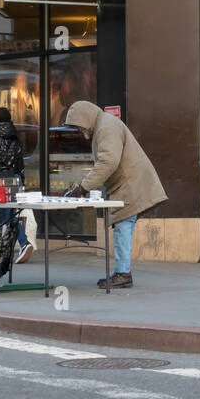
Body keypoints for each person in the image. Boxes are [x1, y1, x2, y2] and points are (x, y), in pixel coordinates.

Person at [64, 101, 168, 289]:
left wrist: (83, 187)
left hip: (130, 183)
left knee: (123, 224)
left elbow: (108, 162)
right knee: (123, 225)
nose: (78, 131)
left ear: (85, 119)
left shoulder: (106, 127)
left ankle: (122, 274)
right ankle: (122, 271)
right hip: (128, 182)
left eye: (77, 126)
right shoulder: (104, 124)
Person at [0, 107, 33, 263]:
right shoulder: (15, 139)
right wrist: (20, 182)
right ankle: (24, 243)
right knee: (10, 216)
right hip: (13, 179)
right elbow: (20, 164)